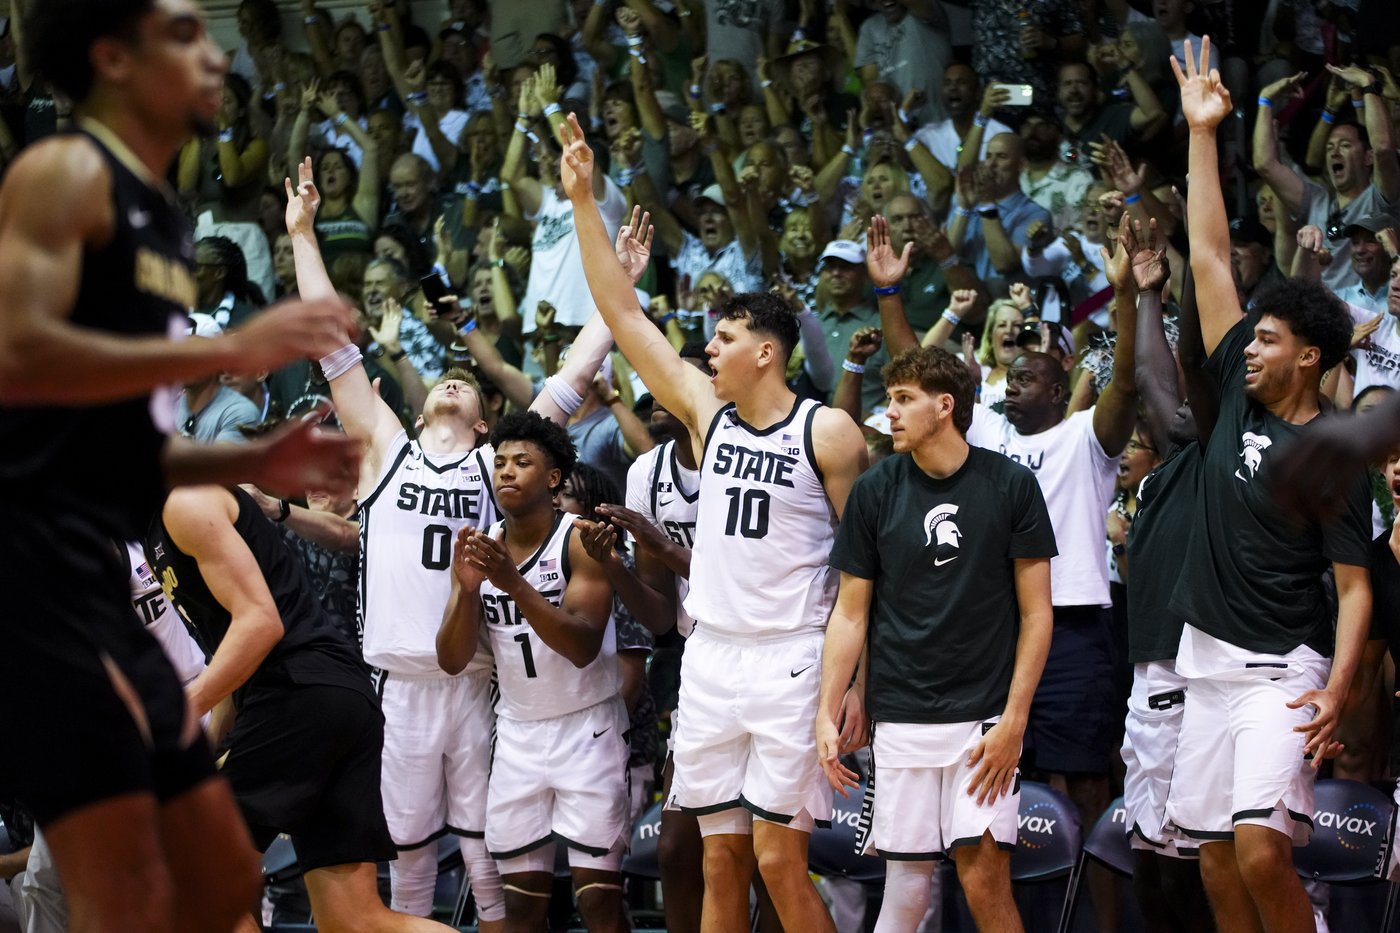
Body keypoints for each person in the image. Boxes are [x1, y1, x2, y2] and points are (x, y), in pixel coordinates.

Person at [0, 2, 360, 931]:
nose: (212, 52)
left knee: (211, 880)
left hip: (101, 559)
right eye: (183, 34)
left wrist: (252, 456)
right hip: (46, 563)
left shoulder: (157, 211)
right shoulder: (60, 177)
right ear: (112, 57)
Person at [286, 153, 650, 926]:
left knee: (490, 856)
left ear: (485, 420)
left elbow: (578, 371)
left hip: (481, 679)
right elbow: (334, 349)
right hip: (399, 680)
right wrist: (303, 234)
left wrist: (620, 283)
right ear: (418, 412)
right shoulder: (386, 449)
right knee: (411, 859)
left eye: (468, 384)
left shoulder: (503, 465)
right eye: (442, 381)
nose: (454, 380)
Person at [557, 111, 869, 932]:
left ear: (766, 350)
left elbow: (867, 573)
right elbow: (624, 318)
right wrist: (583, 200)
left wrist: (854, 685)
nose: (708, 352)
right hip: (712, 656)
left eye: (724, 338)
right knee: (718, 855)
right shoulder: (707, 415)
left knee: (777, 858)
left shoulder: (827, 432)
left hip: (792, 658)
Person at [1167, 39, 1372, 931]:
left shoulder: (1332, 450)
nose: (1249, 346)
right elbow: (1210, 255)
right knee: (1215, 867)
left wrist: (1336, 692)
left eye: (1269, 339)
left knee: (1259, 849)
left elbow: (1356, 587)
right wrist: (1203, 134)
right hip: (1203, 667)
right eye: (1249, 336)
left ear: (1310, 355)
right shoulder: (1238, 408)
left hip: (1280, 675)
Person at [818, 345, 1055, 933]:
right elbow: (851, 614)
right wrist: (829, 707)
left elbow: (1037, 615)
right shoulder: (875, 490)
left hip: (982, 717)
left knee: (982, 880)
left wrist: (1014, 720)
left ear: (944, 406)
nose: (889, 413)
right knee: (904, 890)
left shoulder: (1011, 484)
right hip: (900, 714)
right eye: (890, 399)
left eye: (903, 400)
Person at [147, 484, 454, 933]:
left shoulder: (185, 501)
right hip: (332, 694)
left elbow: (259, 624)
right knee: (355, 921)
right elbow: (235, 661)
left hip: (298, 692)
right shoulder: (155, 524)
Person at [436, 411, 628, 932]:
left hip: (587, 728)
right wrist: (468, 590)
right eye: (498, 462)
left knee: (599, 902)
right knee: (520, 907)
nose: (506, 472)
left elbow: (583, 645)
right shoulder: (483, 547)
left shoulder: (580, 540)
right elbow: (452, 659)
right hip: (519, 733)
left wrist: (512, 583)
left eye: (522, 462)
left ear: (552, 478)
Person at [1117, 221, 1216, 930]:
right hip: (1152, 665)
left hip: (1189, 664)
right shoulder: (1174, 459)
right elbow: (1153, 380)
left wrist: (1177, 290)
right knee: (1146, 841)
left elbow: (1175, 373)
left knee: (1181, 847)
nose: (1171, 402)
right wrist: (1149, 292)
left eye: (1191, 392)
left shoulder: (1218, 449)